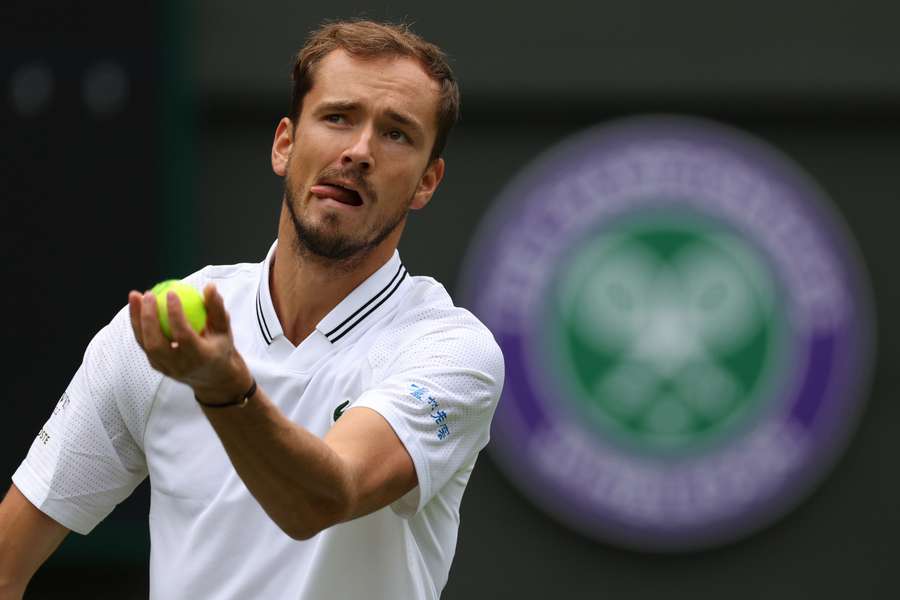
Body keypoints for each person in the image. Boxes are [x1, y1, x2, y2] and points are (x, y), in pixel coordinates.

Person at [0, 20, 504, 600]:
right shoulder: (151, 342)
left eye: (396, 134)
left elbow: (323, 498)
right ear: (285, 144)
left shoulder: (450, 352)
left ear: (426, 182)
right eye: (338, 117)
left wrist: (224, 389)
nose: (359, 151)